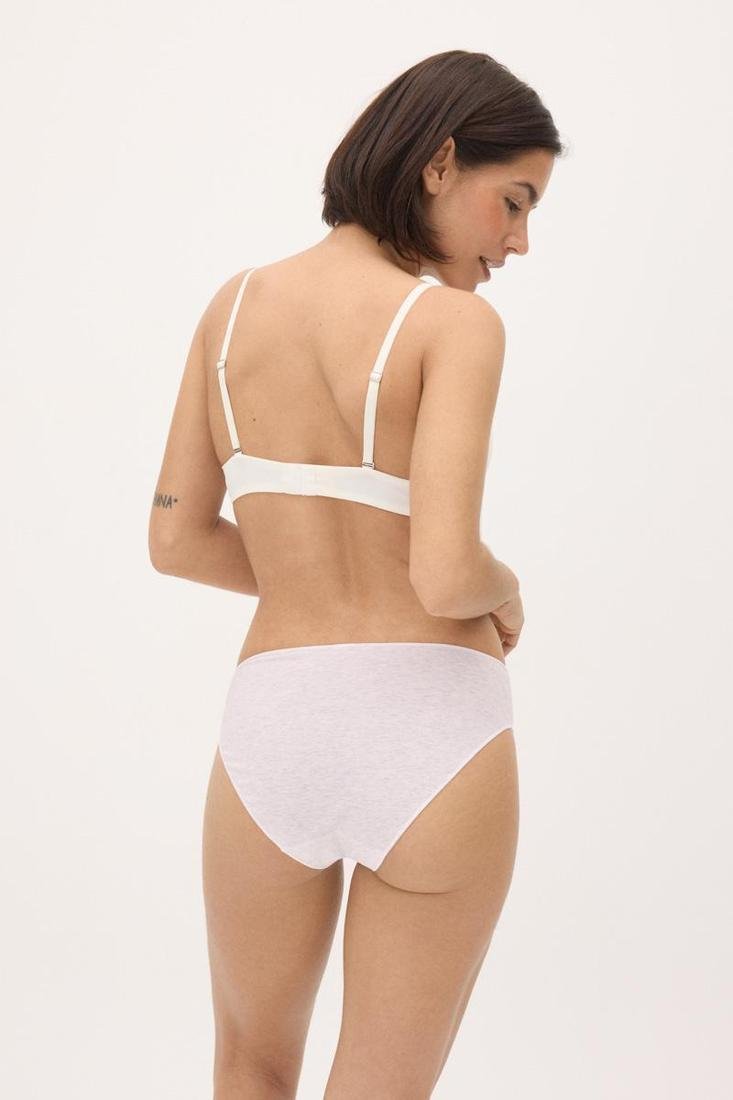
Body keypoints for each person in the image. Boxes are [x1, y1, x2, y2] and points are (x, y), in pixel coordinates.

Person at [149, 47, 563, 1100]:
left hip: (273, 723)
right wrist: (505, 586)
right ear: (439, 162)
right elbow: (446, 572)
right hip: (431, 728)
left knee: (248, 1066)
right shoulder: (452, 325)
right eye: (514, 202)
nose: (519, 241)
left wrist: (302, 571)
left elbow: (176, 540)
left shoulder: (231, 310)